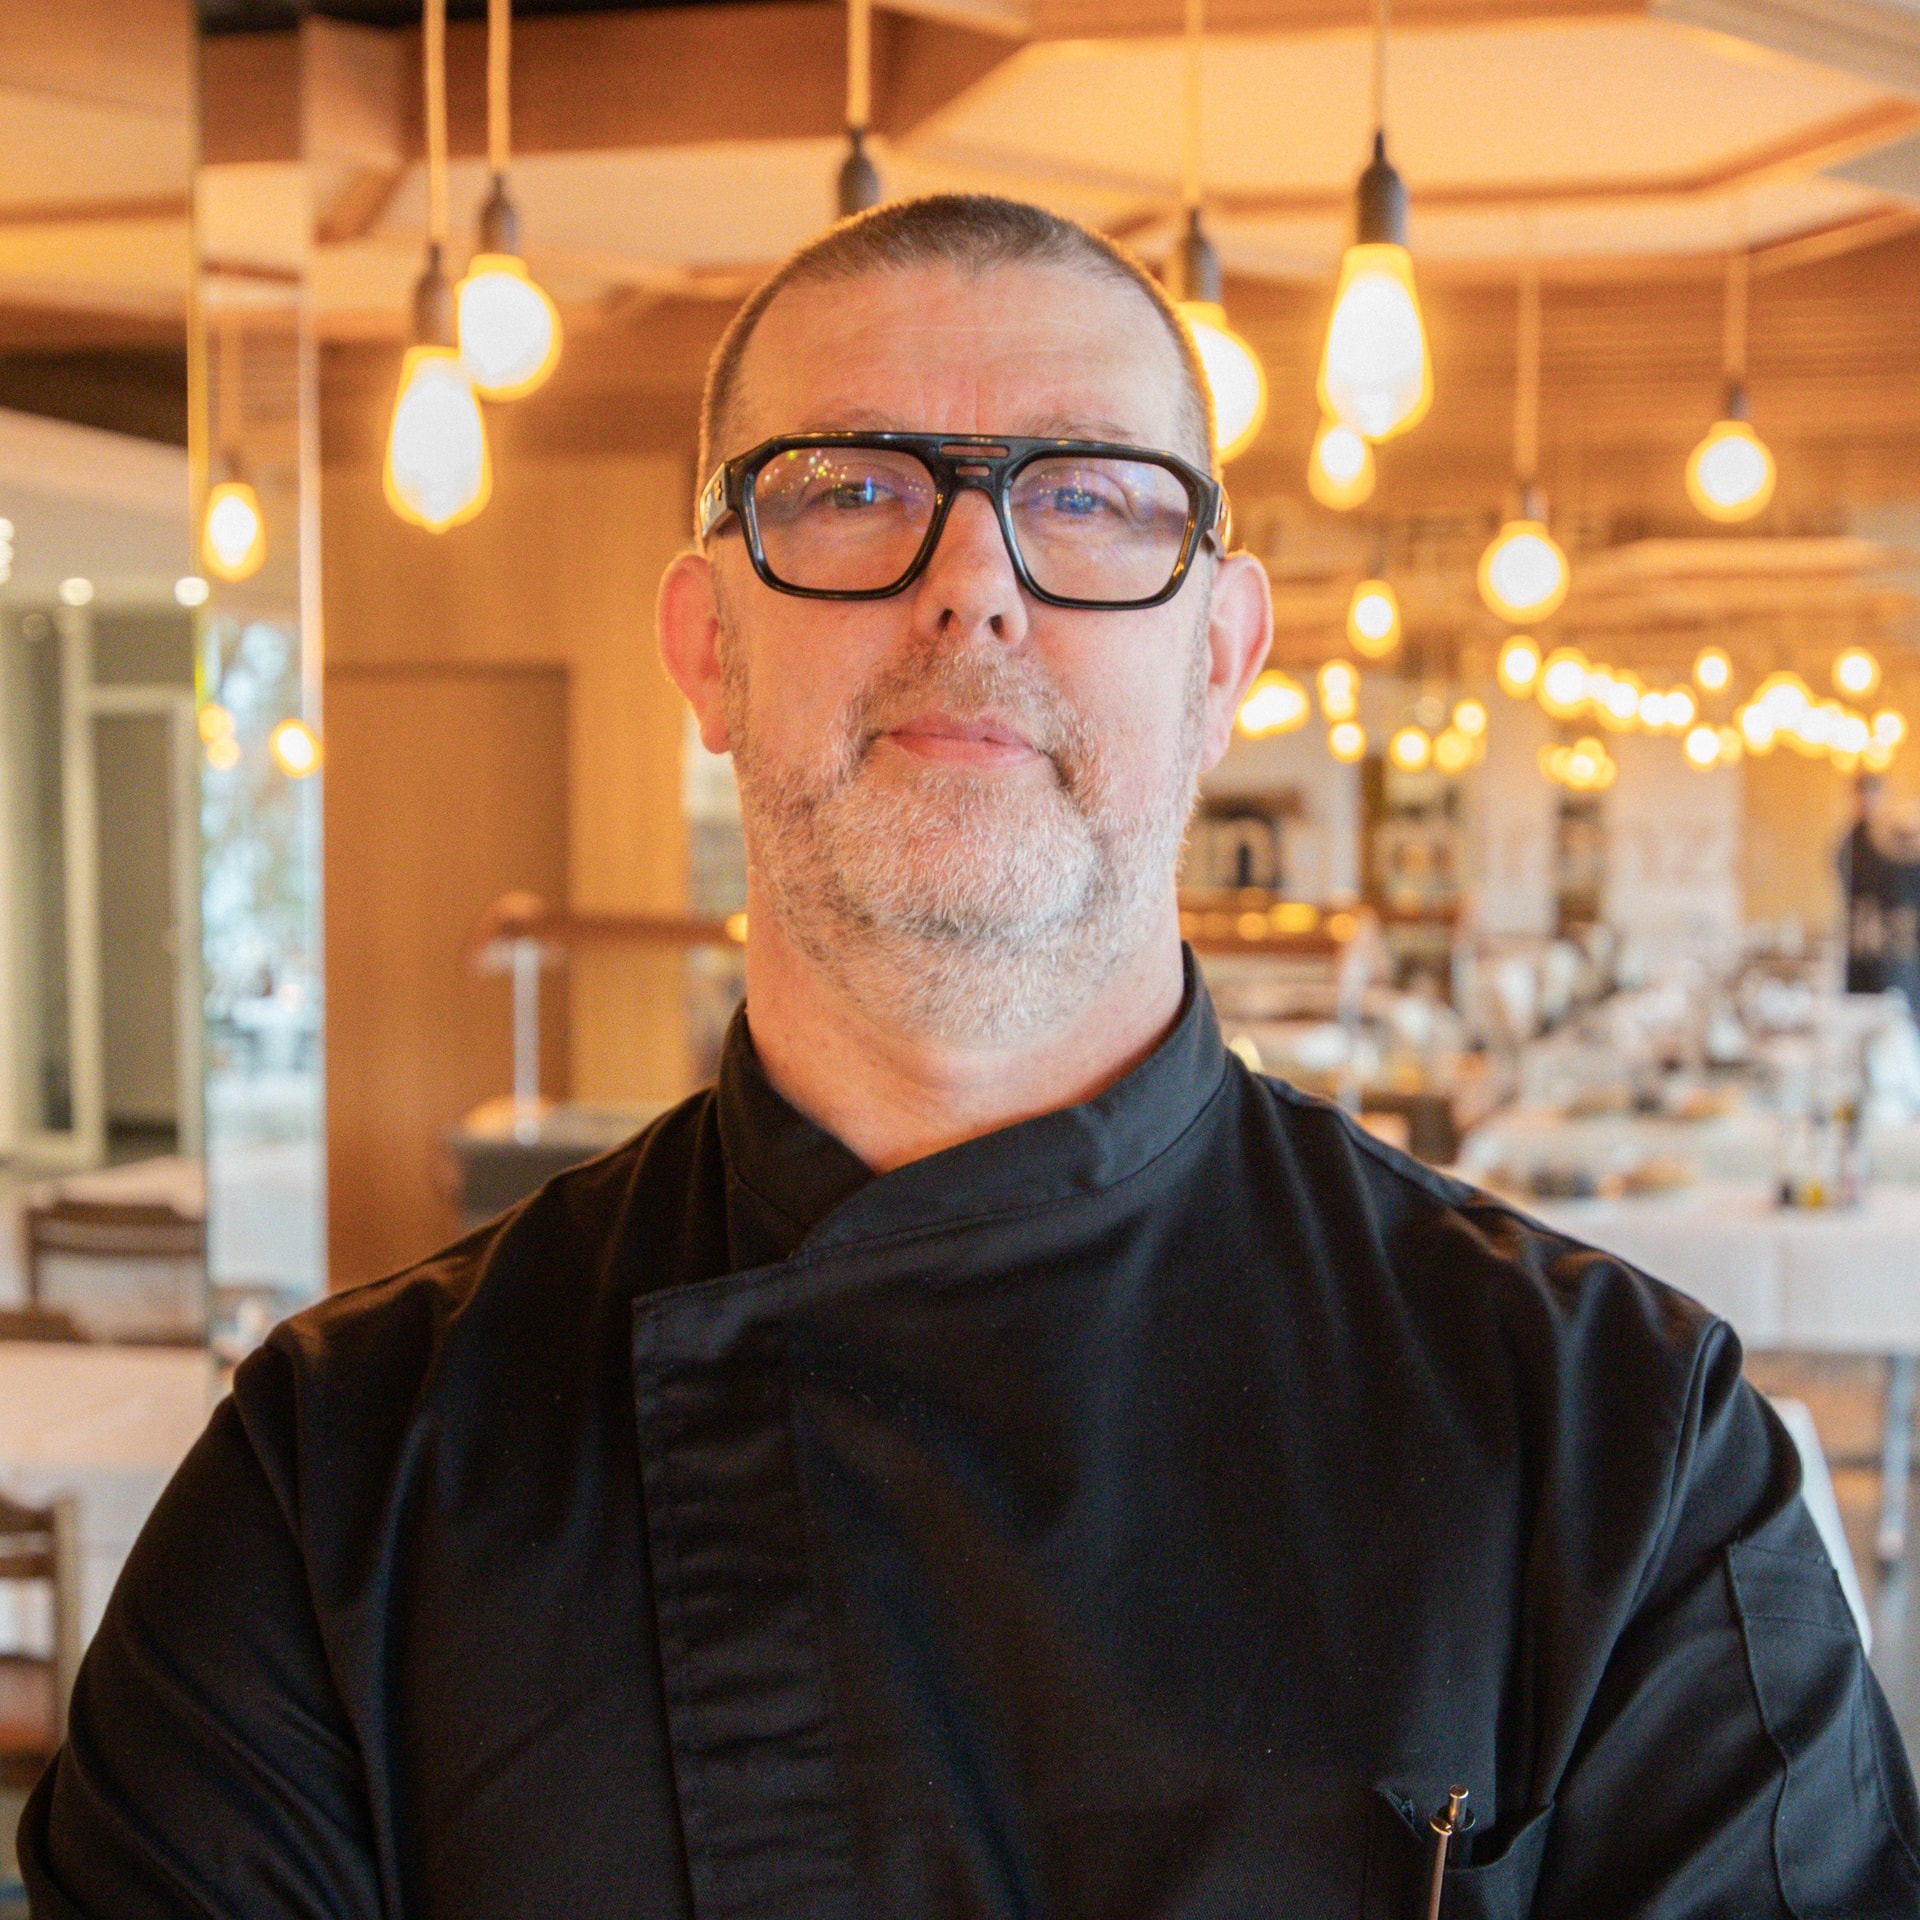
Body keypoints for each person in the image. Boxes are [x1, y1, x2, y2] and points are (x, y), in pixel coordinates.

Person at [21, 195, 1919, 1919]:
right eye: (849, 491)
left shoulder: (1622, 1451)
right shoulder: (337, 1478)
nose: (976, 588)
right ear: (708, 648)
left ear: (1220, 655)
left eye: (1090, 498)